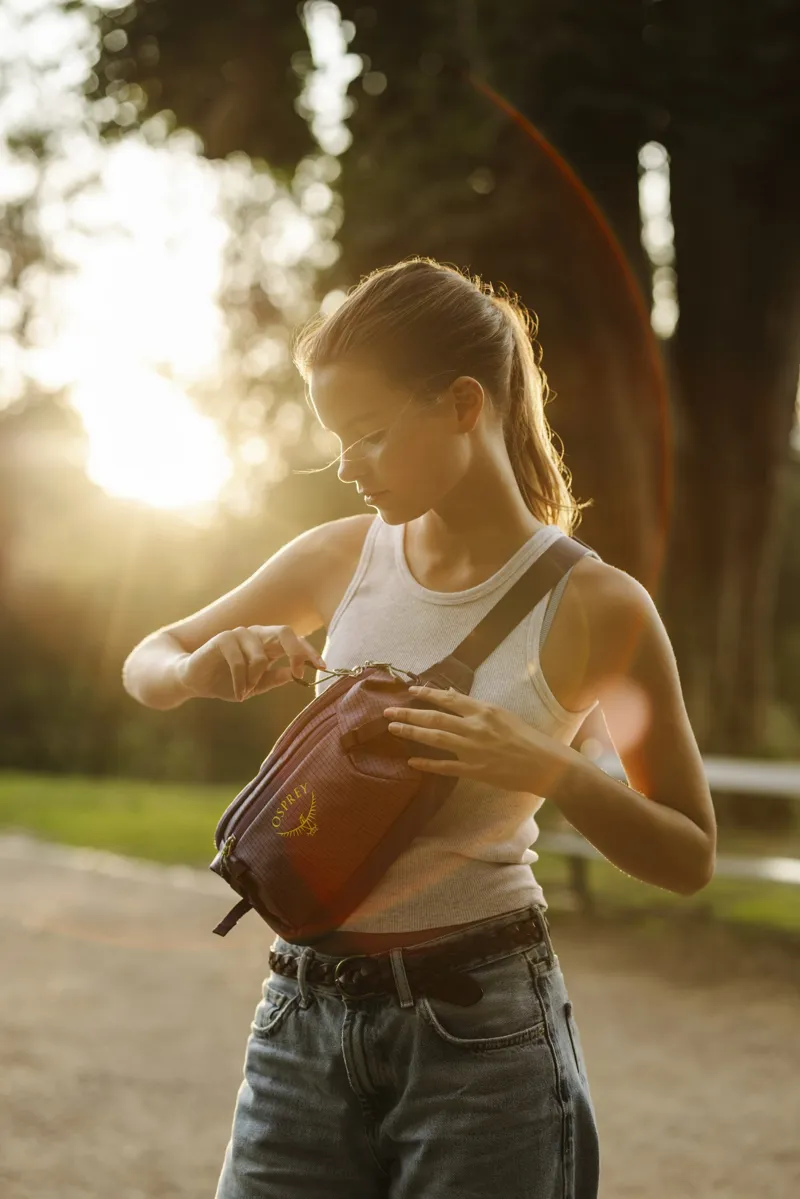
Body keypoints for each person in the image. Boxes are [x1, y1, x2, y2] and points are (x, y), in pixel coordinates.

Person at [123, 257, 716, 1197]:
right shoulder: (341, 557)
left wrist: (550, 769)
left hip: (484, 1041)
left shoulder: (601, 606)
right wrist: (200, 665)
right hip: (299, 1020)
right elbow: (146, 659)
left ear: (464, 404)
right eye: (339, 441)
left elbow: (689, 856)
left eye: (368, 435)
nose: (347, 467)